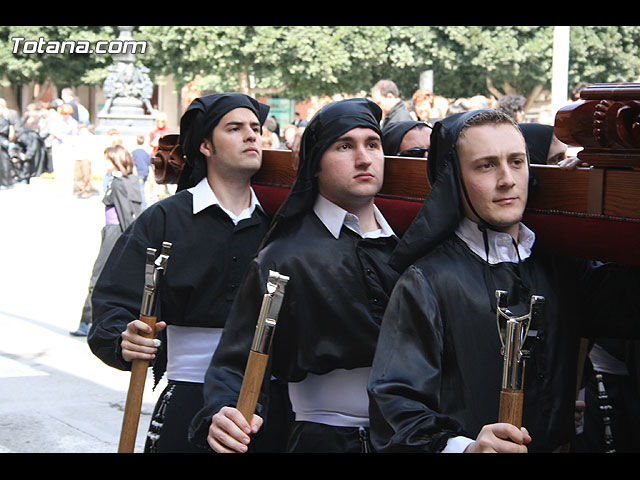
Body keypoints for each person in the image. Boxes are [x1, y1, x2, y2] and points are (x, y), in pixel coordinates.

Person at [367, 108, 640, 453]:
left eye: (517, 161)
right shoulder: (427, 281)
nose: (507, 179)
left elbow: (626, 309)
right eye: (486, 165)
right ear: (454, 179)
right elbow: (394, 403)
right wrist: (464, 447)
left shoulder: (560, 266)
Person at [189, 98, 400, 453]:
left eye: (373, 144)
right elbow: (238, 362)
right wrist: (223, 413)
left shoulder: (409, 251)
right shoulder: (284, 257)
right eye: (345, 146)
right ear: (315, 163)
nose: (364, 159)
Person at [87, 93, 273, 453]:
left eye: (255, 128)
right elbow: (112, 303)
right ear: (205, 145)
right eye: (234, 128)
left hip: (262, 403)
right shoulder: (165, 219)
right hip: (189, 397)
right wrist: (123, 338)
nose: (251, 136)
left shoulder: (276, 224)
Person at [71, 145, 142, 337]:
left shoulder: (119, 183)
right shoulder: (132, 181)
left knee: (98, 275)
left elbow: (126, 214)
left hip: (115, 232)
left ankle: (87, 320)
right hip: (120, 231)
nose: (106, 164)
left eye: (109, 160)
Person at [131, 135, 151, 208]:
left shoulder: (134, 153)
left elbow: (132, 163)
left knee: (140, 189)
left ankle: (143, 206)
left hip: (138, 173)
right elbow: (150, 163)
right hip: (145, 172)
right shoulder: (145, 153)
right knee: (142, 188)